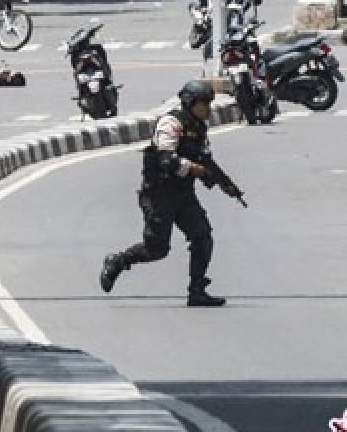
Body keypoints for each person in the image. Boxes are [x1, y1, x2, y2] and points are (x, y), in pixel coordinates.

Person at [98, 81, 241, 307]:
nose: (208, 110)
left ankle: (197, 291)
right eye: (204, 104)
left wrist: (225, 184)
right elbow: (167, 161)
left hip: (184, 194)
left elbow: (206, 160)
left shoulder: (200, 128)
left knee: (203, 237)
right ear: (190, 103)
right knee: (157, 250)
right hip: (159, 194)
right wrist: (193, 169)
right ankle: (118, 261)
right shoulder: (171, 123)